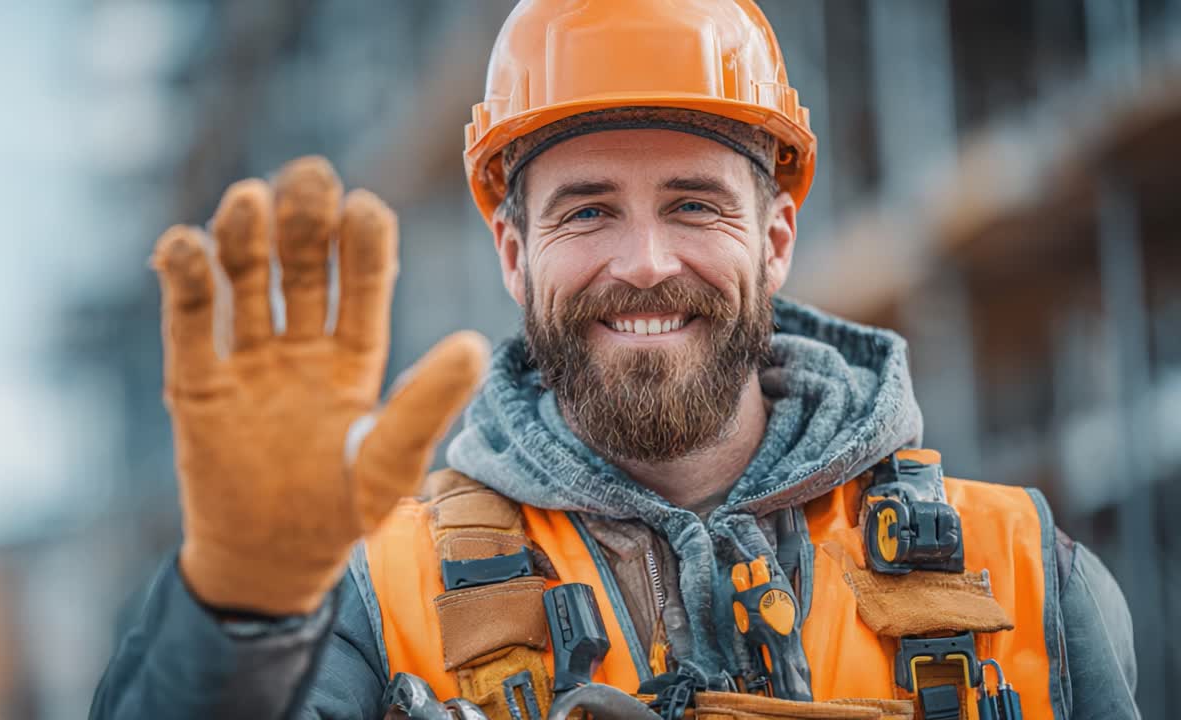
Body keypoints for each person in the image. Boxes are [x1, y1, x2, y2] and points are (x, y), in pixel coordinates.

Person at [90, 1, 1139, 718]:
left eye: (692, 204)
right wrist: (232, 617)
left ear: (773, 239)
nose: (643, 263)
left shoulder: (1024, 579)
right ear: (514, 252)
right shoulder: (379, 607)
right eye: (587, 210)